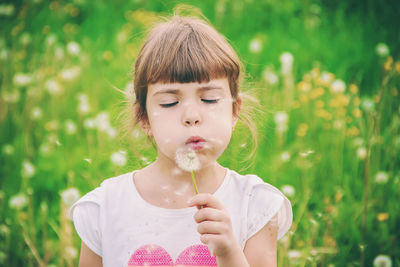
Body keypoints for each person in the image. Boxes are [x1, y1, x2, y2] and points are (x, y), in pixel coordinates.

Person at [70, 14, 292, 267]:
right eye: (170, 102)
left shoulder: (255, 206)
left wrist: (230, 253)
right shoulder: (106, 209)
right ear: (143, 118)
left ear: (234, 110)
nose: (191, 117)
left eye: (209, 99)